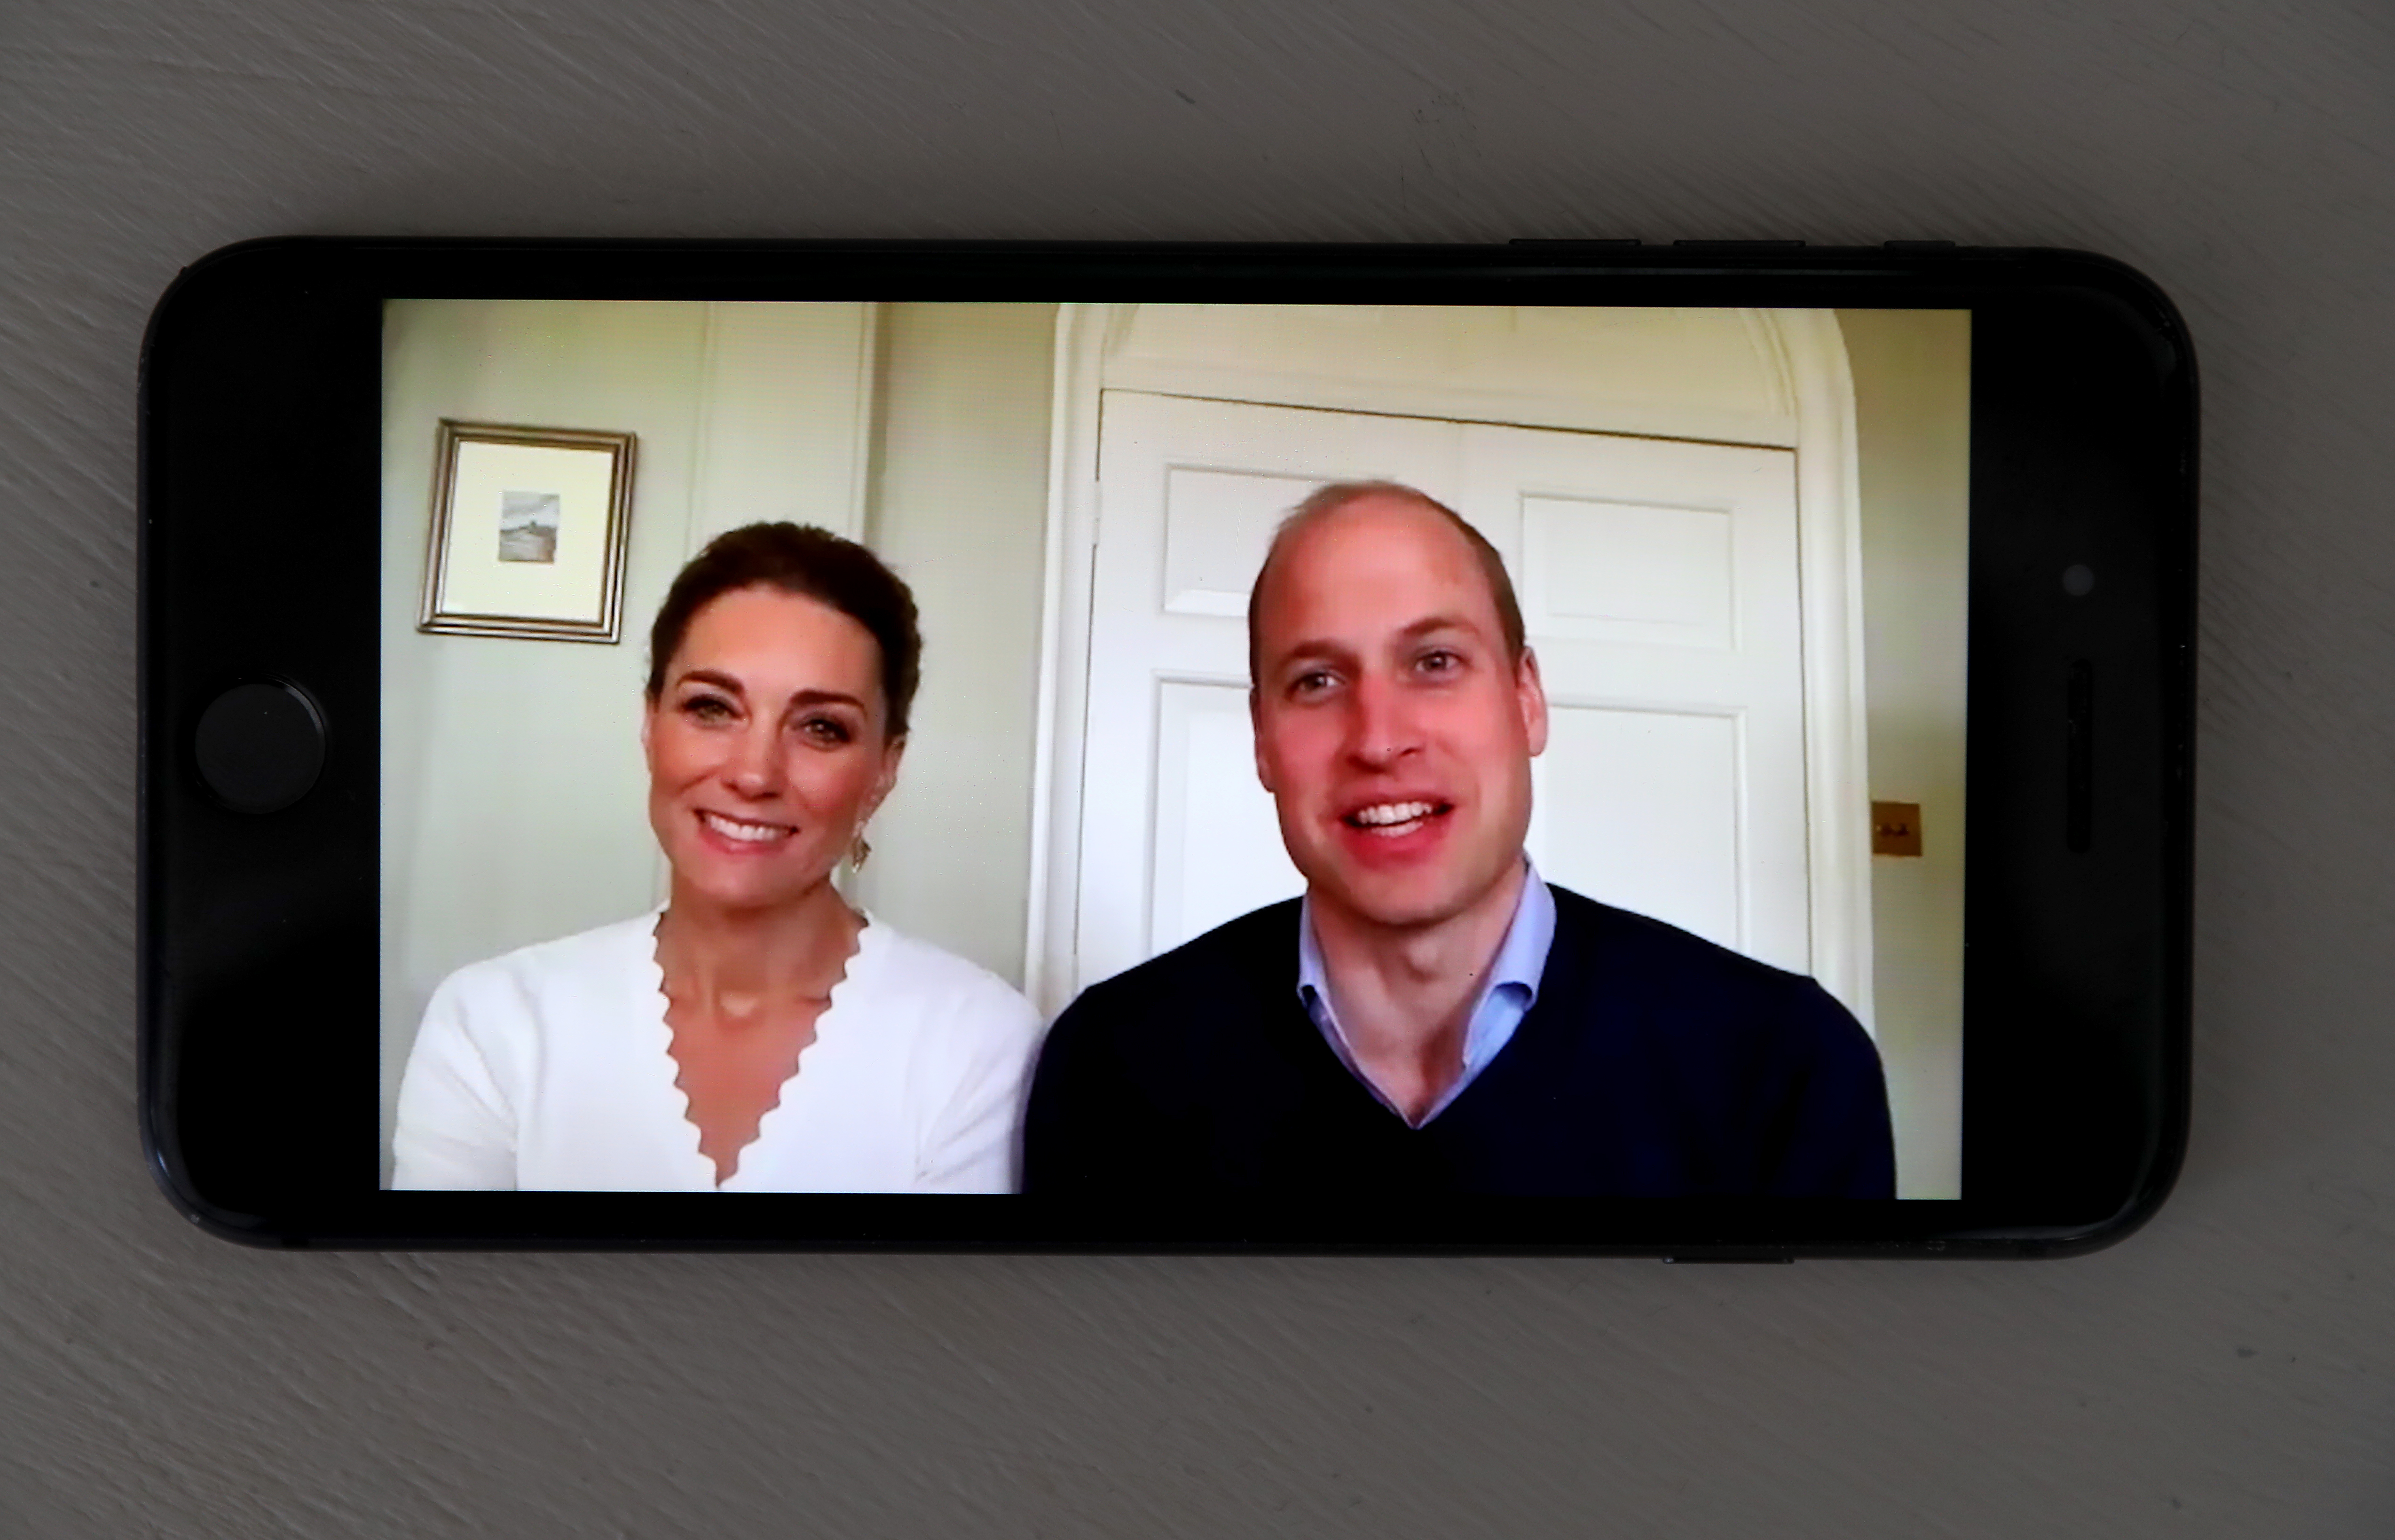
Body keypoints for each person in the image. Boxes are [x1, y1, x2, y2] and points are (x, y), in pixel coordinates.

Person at [1023, 482, 1896, 1198]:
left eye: (1434, 662)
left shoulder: (1784, 1066)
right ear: (1261, 739)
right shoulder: (1111, 1066)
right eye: (1317, 680)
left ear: (1526, 700)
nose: (1378, 738)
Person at [393, 523, 1044, 1192]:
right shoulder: (494, 1021)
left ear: (884, 768)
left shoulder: (977, 1042)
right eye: (711, 708)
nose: (754, 774)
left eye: (822, 727)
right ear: (651, 726)